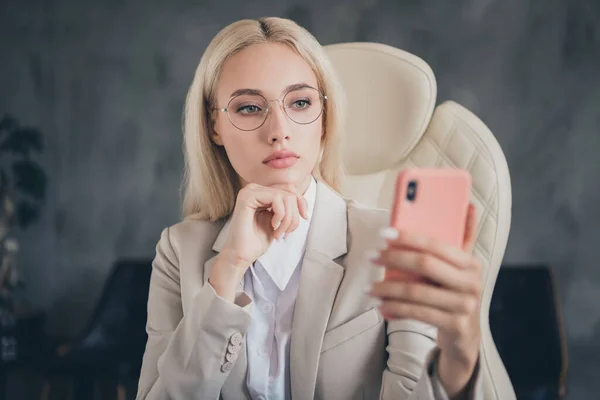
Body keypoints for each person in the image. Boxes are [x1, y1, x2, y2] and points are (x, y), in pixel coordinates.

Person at [136, 16, 484, 400]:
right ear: (213, 126)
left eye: (300, 102)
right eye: (249, 108)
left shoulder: (392, 246)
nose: (278, 130)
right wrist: (228, 270)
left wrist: (460, 354)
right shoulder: (178, 251)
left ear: (324, 118)